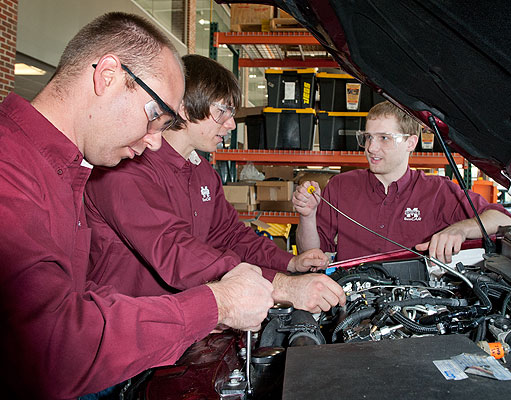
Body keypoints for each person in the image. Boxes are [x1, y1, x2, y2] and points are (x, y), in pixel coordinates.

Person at [0, 13, 274, 399]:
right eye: (154, 116)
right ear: (107, 75)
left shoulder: (65, 170)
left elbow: (78, 295)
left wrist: (186, 316)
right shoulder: (10, 170)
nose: (156, 142)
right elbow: (52, 348)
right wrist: (214, 304)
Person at [84, 54, 346, 315]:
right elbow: (176, 252)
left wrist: (289, 262)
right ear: (185, 108)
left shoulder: (202, 173)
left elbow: (230, 235)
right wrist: (281, 285)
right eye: (222, 111)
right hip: (126, 324)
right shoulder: (127, 167)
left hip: (186, 321)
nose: (231, 124)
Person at [293, 101, 511, 263]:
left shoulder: (438, 190)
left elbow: (503, 219)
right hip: (353, 302)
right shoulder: (341, 186)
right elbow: (311, 254)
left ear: (411, 143)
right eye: (368, 137)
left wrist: (460, 229)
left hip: (416, 309)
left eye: (384, 138)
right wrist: (307, 216)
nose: (371, 148)